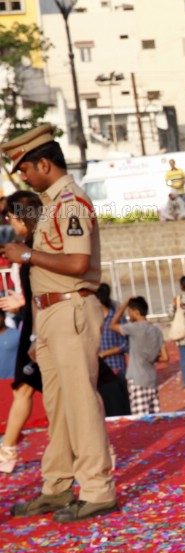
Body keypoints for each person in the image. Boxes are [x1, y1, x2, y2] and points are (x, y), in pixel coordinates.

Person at [0, 124, 116, 522]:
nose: (24, 179)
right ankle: (57, 486)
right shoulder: (52, 204)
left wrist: (26, 255)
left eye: (25, 170)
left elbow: (78, 263)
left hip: (71, 308)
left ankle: (97, 489)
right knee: (59, 405)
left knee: (81, 404)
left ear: (43, 163)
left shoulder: (71, 203)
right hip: (51, 315)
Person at [0, 191, 43, 474]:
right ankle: (9, 448)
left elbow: (49, 285)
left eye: (11, 216)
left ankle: (8, 449)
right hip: (32, 324)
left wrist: (23, 302)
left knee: (77, 393)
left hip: (42, 327)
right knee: (24, 388)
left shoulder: (35, 248)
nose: (7, 221)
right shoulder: (20, 248)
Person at [109, 296, 167, 416]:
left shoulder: (134, 328)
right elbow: (165, 357)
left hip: (137, 380)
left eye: (130, 312)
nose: (129, 316)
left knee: (139, 419)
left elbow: (112, 325)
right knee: (154, 419)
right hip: (152, 380)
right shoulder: (157, 331)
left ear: (136, 312)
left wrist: (124, 305)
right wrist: (151, 357)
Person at [95, 282, 131, 417]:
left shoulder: (117, 319)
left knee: (119, 407)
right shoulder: (92, 320)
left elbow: (126, 344)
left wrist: (105, 353)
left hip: (117, 368)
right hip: (100, 372)